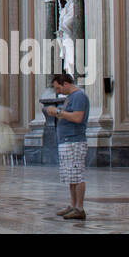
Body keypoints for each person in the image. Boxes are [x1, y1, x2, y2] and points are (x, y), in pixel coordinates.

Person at [44, 72, 89, 220]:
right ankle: (72, 205)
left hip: (75, 141)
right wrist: (56, 113)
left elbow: (77, 117)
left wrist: (58, 112)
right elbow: (66, 115)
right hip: (66, 141)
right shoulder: (70, 98)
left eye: (58, 88)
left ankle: (79, 208)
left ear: (66, 84)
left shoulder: (79, 96)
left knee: (77, 175)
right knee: (70, 176)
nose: (58, 92)